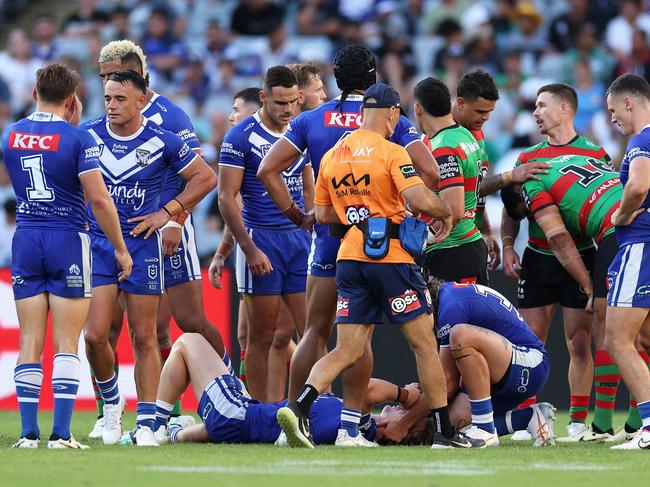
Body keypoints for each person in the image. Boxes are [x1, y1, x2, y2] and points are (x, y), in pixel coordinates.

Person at [277, 83, 483, 449]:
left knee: (348, 348)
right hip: (389, 258)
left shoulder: (333, 156)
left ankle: (301, 406)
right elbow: (418, 196)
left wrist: (356, 212)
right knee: (423, 343)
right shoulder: (391, 151)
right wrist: (444, 210)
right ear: (392, 115)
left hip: (349, 259)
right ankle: (444, 434)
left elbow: (323, 214)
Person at [257, 45, 440, 413]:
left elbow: (267, 170)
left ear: (335, 80)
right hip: (379, 244)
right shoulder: (391, 119)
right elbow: (431, 172)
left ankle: (293, 417)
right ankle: (353, 421)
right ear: (373, 78)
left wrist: (297, 215)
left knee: (315, 332)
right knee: (361, 339)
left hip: (329, 242)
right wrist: (402, 207)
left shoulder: (312, 119)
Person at [85, 40, 230, 438]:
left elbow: (197, 173)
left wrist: (172, 219)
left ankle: (203, 396)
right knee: (104, 330)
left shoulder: (170, 116)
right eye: (103, 81)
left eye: (116, 77)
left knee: (177, 324)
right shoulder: (101, 124)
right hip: (114, 234)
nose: (109, 88)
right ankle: (108, 411)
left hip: (166, 231)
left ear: (138, 78)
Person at [4, 64, 131, 449]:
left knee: (29, 339)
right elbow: (98, 199)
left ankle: (28, 435)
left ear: (33, 93)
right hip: (67, 240)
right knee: (66, 343)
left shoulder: (10, 135)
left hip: (25, 236)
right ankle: (61, 433)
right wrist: (121, 249)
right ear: (72, 100)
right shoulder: (78, 139)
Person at [500, 83, 611, 440]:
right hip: (538, 256)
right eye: (534, 106)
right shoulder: (526, 157)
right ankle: (526, 416)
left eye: (542, 105)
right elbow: (511, 212)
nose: (535, 112)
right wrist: (506, 245)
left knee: (579, 341)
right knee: (529, 342)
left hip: (581, 255)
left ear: (565, 109)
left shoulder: (596, 153)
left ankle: (578, 420)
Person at [501, 153, 637, 442]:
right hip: (638, 219)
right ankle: (630, 422)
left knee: (611, 330)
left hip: (618, 229)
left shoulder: (529, 182)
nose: (531, 218)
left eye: (526, 213)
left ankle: (607, 424)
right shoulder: (579, 156)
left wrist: (589, 286)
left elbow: (558, 237)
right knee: (643, 334)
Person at [218, 66, 311, 403]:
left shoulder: (300, 130)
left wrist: (311, 219)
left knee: (311, 332)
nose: (287, 109)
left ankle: (310, 405)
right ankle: (258, 410)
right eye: (279, 102)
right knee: (260, 335)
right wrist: (249, 249)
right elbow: (226, 197)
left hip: (300, 241)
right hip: (263, 241)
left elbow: (308, 176)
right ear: (263, 97)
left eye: (292, 102)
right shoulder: (239, 137)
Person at [150, 333, 421, 446]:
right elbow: (319, 386)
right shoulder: (350, 428)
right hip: (240, 417)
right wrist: (295, 345)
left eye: (403, 413)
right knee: (232, 412)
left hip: (237, 414)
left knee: (189, 341)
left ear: (403, 431)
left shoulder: (363, 428)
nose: (399, 408)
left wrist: (405, 394)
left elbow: (369, 390)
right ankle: (173, 434)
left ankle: (152, 427)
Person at [376, 279, 555, 447]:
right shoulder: (444, 302)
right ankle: (529, 417)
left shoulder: (450, 307)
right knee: (450, 424)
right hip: (503, 371)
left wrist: (404, 423)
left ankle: (484, 429)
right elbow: (442, 382)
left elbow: (447, 383)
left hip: (531, 365)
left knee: (460, 335)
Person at [451, 69, 550, 270]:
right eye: (480, 111)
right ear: (460, 103)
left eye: (489, 112)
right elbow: (464, 191)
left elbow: (476, 192)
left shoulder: (475, 132)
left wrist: (485, 230)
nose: (486, 117)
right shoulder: (443, 137)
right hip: (447, 242)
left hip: (468, 236)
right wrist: (510, 176)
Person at [604, 73, 650, 449]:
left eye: (613, 109)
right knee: (645, 338)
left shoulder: (642, 140)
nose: (612, 118)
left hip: (640, 247)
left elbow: (637, 186)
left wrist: (620, 215)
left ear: (629, 102)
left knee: (617, 340)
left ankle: (649, 425)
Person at [414, 76, 487, 285]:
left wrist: (421, 238)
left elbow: (453, 210)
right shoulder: (464, 134)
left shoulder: (443, 147)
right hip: (466, 246)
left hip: (452, 253)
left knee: (454, 319)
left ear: (418, 109)